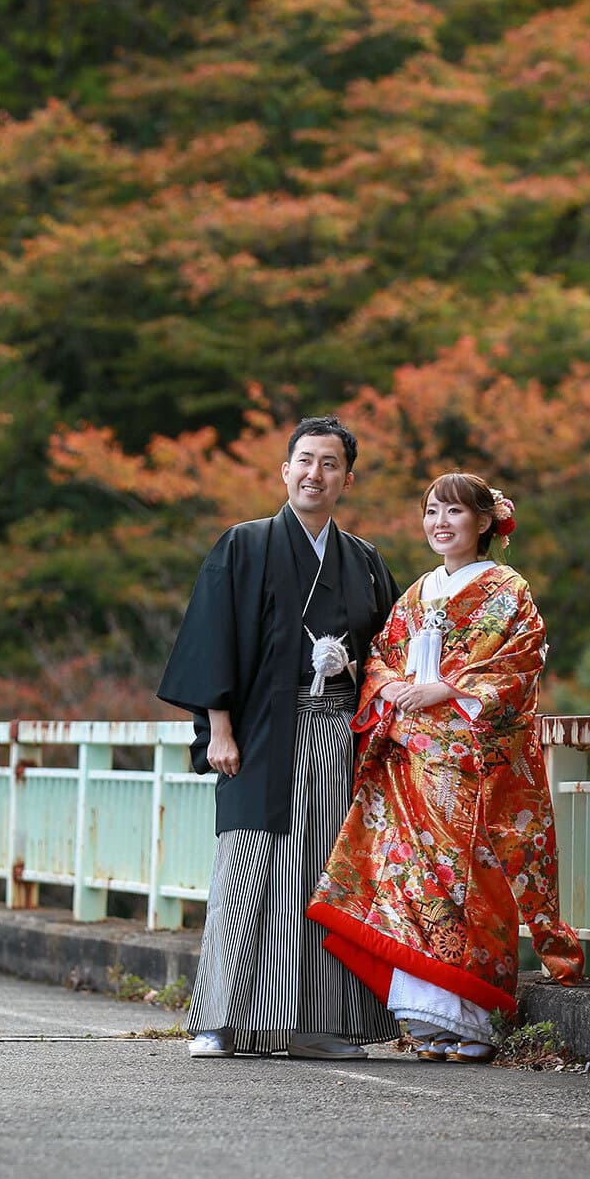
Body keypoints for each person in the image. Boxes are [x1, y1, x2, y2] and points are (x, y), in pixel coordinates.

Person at [307, 472, 583, 1062]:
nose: (440, 523)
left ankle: (474, 1022)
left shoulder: (507, 589)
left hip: (474, 763)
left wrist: (444, 691)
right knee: (412, 882)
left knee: (471, 878)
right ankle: (430, 1021)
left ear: (484, 522)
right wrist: (397, 688)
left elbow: (520, 663)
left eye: (453, 512)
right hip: (413, 760)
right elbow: (381, 657)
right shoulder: (418, 591)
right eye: (431, 511)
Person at [158, 416, 401, 1060]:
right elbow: (212, 639)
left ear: (347, 479)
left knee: (326, 875)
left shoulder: (364, 560)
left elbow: (391, 653)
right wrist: (218, 729)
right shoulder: (244, 544)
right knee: (249, 870)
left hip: (338, 735)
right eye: (304, 461)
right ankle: (221, 1020)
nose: (314, 474)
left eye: (328, 464)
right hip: (262, 729)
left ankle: (316, 1025)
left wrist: (349, 666)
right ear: (284, 470)